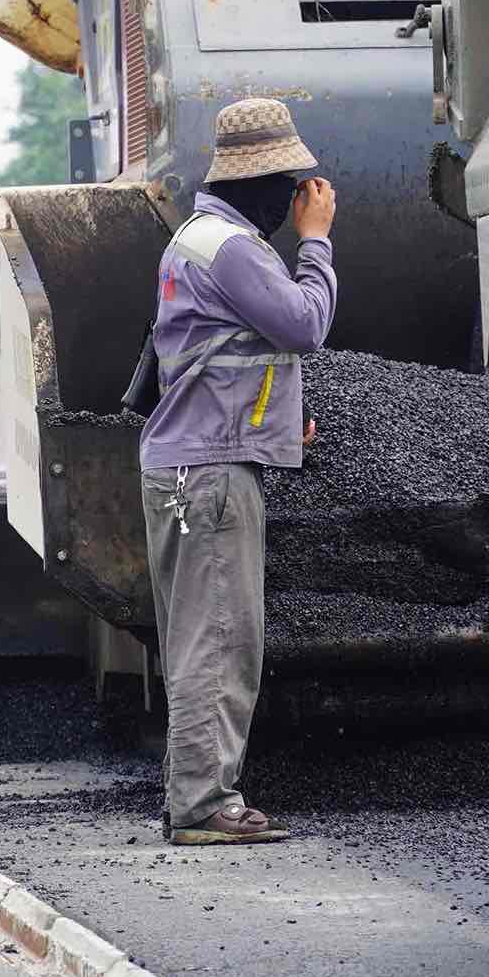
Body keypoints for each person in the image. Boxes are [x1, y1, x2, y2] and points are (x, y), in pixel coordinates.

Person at [138, 98, 338, 846]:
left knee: (198, 639)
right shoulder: (233, 248)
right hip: (211, 476)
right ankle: (203, 806)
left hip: (189, 466)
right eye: (290, 187)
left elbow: (219, 356)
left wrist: (280, 420)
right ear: (261, 183)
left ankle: (192, 796)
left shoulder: (197, 237)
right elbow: (305, 325)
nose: (297, 201)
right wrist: (316, 244)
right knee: (220, 641)